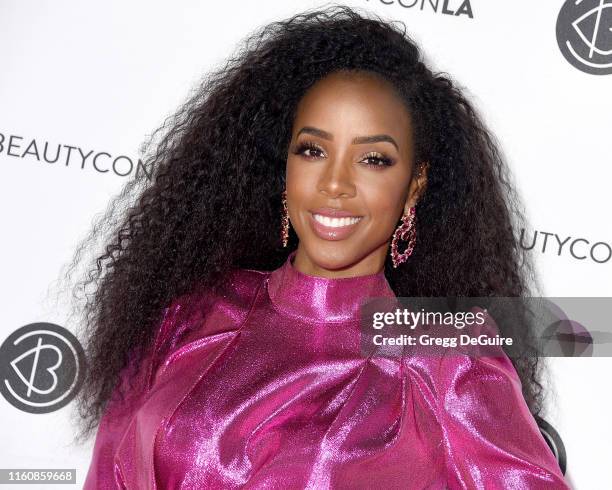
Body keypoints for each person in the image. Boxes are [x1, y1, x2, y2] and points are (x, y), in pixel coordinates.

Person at [69, 6, 570, 489]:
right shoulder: (189, 315)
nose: (335, 183)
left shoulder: (449, 354)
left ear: (414, 186)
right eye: (312, 150)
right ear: (284, 167)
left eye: (373, 159)